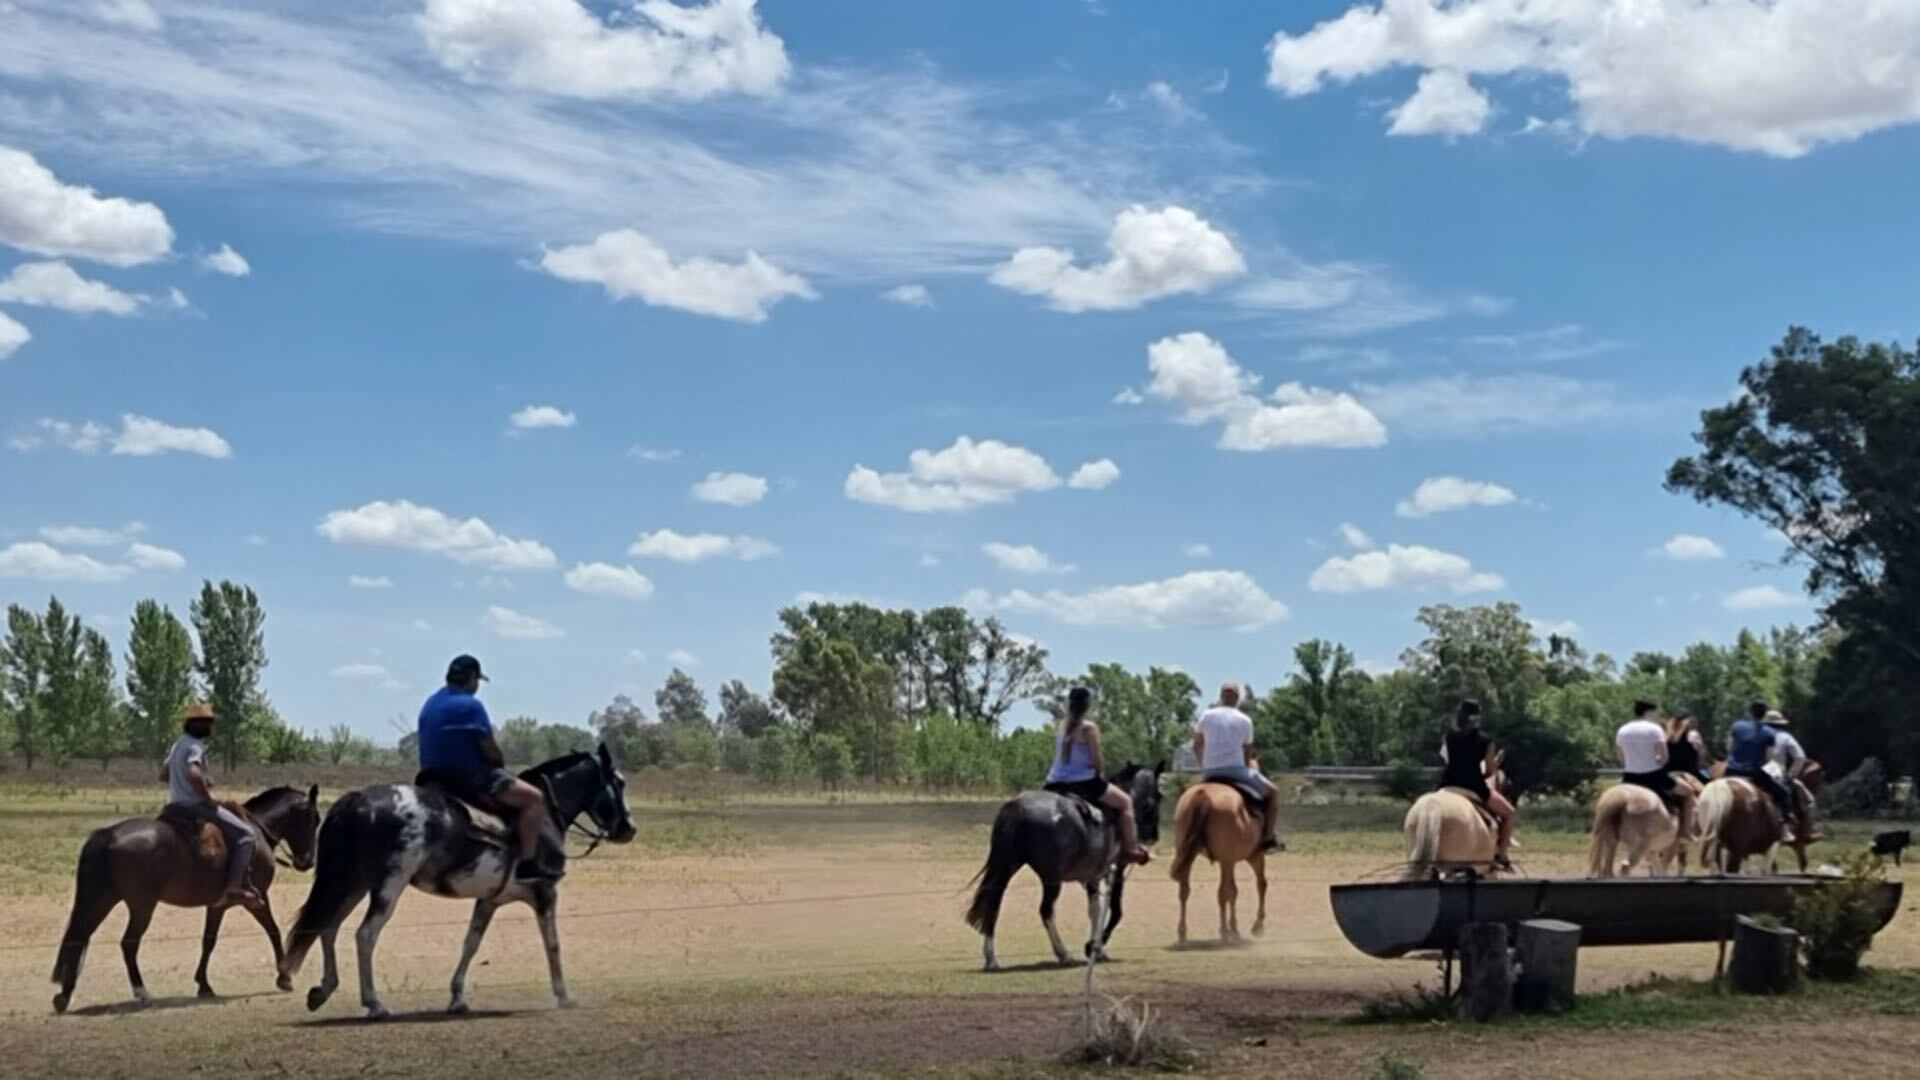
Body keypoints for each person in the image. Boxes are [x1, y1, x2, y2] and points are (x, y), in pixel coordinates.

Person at [416, 655, 561, 881]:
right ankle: (528, 864)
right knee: (533, 798)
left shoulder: (431, 701)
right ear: (472, 678)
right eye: (477, 681)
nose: (477, 686)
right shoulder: (471, 705)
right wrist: (500, 765)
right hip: (468, 777)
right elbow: (489, 748)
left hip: (431, 776)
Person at [161, 702, 261, 910]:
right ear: (196, 724)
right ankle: (234, 887)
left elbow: (163, 775)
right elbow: (194, 773)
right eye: (207, 722)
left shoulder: (178, 744)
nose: (210, 727)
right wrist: (207, 798)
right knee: (246, 835)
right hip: (194, 806)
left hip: (174, 806)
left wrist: (181, 783)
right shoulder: (195, 745)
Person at [1043, 686, 1151, 865]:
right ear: (1087, 706)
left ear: (1069, 705)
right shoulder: (1088, 728)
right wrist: (1101, 773)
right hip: (1083, 782)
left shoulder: (1062, 726)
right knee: (1125, 803)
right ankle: (1131, 850)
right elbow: (1096, 759)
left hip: (1053, 782)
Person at [1191, 683, 1281, 852]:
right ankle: (1268, 837)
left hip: (1210, 771)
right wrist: (1249, 767)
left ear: (1220, 696)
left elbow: (1196, 746)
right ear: (1237, 698)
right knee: (1274, 793)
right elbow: (1247, 753)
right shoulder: (1245, 720)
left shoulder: (1206, 715)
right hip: (1237, 771)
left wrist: (1205, 765)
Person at [1439, 699, 1514, 870]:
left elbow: (1448, 759)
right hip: (1473, 786)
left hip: (1447, 783)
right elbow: (1490, 771)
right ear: (1478, 716)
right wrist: (1493, 764)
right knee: (1510, 814)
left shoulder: (1449, 734)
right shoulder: (1485, 740)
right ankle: (1501, 855)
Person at [1617, 699, 1695, 846]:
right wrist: (1655, 762)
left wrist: (1634, 764)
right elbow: (1664, 757)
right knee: (1689, 792)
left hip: (1629, 777)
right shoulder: (1654, 729)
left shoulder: (1623, 730)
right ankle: (1686, 832)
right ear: (1649, 712)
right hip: (1653, 776)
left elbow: (1621, 758)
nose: (1657, 715)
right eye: (1655, 712)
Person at [1724, 700, 1797, 830]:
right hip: (1753, 772)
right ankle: (1786, 822)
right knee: (1784, 792)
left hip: (1731, 770)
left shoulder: (1737, 726)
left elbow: (1729, 748)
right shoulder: (1770, 733)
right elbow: (1769, 758)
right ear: (1765, 714)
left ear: (1750, 712)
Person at [1764, 710, 1821, 843]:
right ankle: (1805, 831)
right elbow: (1800, 757)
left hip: (1752, 770)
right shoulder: (1785, 737)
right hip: (1775, 772)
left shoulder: (1757, 734)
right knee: (1810, 801)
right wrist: (1791, 775)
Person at [1665, 710, 1711, 784]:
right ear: (1688, 721)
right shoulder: (1692, 734)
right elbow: (1701, 753)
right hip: (1689, 772)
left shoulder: (1667, 736)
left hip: (1669, 772)